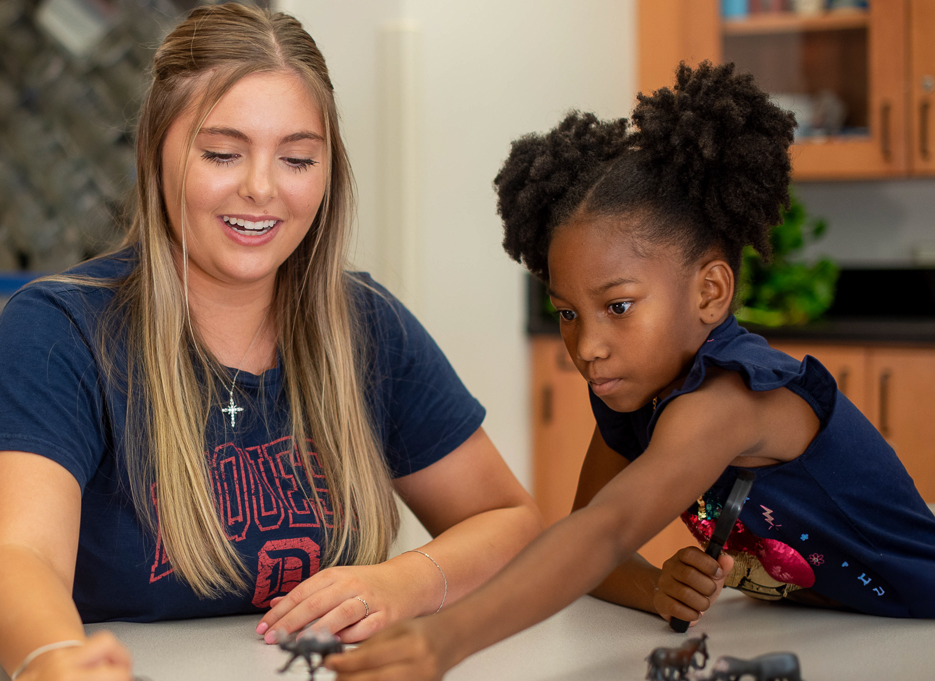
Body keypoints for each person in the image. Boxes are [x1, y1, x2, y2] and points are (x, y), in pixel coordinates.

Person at [0, 4, 542, 680]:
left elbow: (509, 518)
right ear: (156, 152)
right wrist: (57, 661)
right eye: (223, 153)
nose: (261, 188)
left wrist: (402, 581)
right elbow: (19, 560)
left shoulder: (368, 323)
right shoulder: (56, 330)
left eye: (296, 158)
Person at [326, 61, 935, 680]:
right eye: (567, 313)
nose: (588, 345)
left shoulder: (729, 396)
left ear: (710, 292)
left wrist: (444, 642)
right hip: (846, 632)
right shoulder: (636, 401)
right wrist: (657, 589)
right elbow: (596, 544)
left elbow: (605, 533)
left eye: (618, 307)